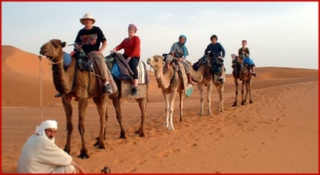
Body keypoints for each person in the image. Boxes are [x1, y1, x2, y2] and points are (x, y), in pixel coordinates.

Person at [54, 13, 113, 98]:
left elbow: (104, 41)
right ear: (84, 22)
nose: (87, 21)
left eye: (89, 20)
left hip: (94, 52)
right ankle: (63, 88)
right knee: (68, 62)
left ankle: (106, 83)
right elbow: (77, 43)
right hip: (82, 52)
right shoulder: (81, 32)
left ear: (92, 21)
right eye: (86, 20)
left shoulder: (97, 30)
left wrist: (100, 50)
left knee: (101, 62)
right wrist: (78, 47)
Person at [17, 120, 85, 173]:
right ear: (43, 130)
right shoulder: (44, 142)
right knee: (70, 168)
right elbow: (63, 157)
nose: (52, 135)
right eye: (50, 131)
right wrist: (80, 167)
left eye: (54, 132)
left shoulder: (33, 137)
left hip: (26, 171)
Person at [112, 24, 141, 96]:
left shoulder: (136, 38)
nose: (130, 31)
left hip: (134, 56)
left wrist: (129, 57)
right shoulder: (125, 40)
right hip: (125, 55)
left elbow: (136, 49)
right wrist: (114, 49)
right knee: (115, 61)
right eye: (129, 29)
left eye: (132, 30)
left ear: (134, 31)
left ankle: (135, 86)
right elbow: (120, 46)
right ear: (128, 30)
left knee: (133, 66)